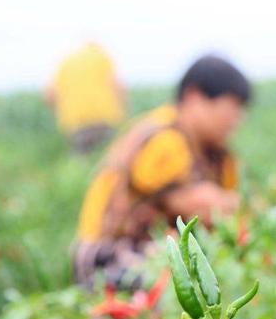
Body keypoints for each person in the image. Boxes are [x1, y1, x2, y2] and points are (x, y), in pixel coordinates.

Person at [73, 55, 251, 290]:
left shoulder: (216, 153)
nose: (237, 119)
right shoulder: (164, 138)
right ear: (194, 96)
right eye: (232, 107)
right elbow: (201, 205)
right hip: (106, 255)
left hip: (146, 250)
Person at [46, 42, 126, 152]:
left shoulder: (67, 63)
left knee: (82, 158)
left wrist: (60, 112)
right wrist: (123, 110)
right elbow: (117, 86)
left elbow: (50, 95)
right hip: (104, 117)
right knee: (106, 157)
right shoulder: (101, 58)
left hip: (76, 121)